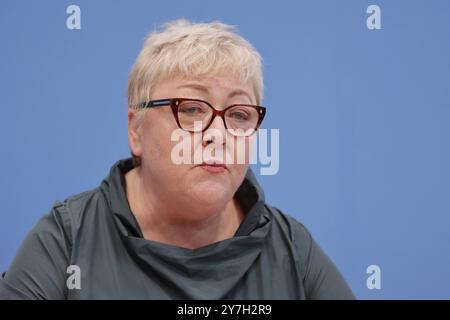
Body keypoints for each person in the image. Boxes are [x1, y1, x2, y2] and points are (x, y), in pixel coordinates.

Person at [0, 19, 355, 299]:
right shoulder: (67, 240)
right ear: (136, 129)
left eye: (239, 114)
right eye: (192, 109)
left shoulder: (292, 249)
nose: (219, 133)